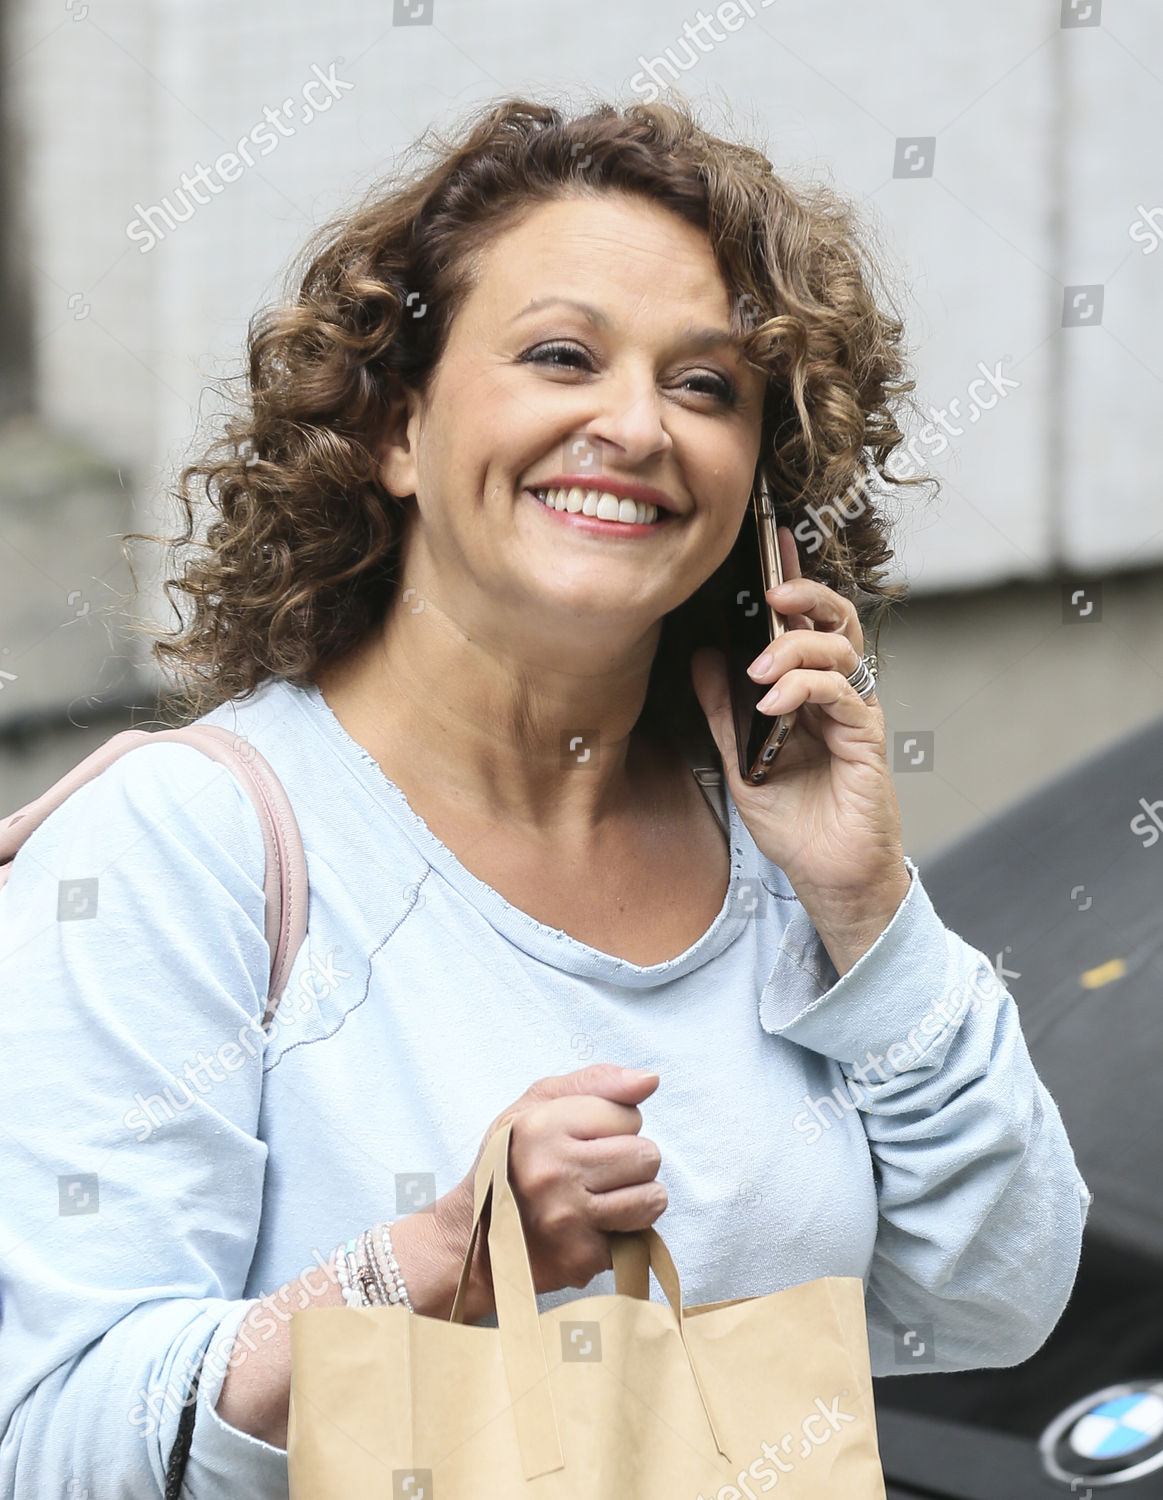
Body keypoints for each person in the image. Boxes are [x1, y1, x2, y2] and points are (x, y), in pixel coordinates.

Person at [0, 94, 1090, 1498]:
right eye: (562, 356)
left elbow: (995, 1298)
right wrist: (429, 1263)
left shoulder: (774, 851)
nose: (635, 425)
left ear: (762, 493)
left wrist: (866, 903)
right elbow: (55, 1447)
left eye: (706, 387)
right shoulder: (184, 845)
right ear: (393, 427)